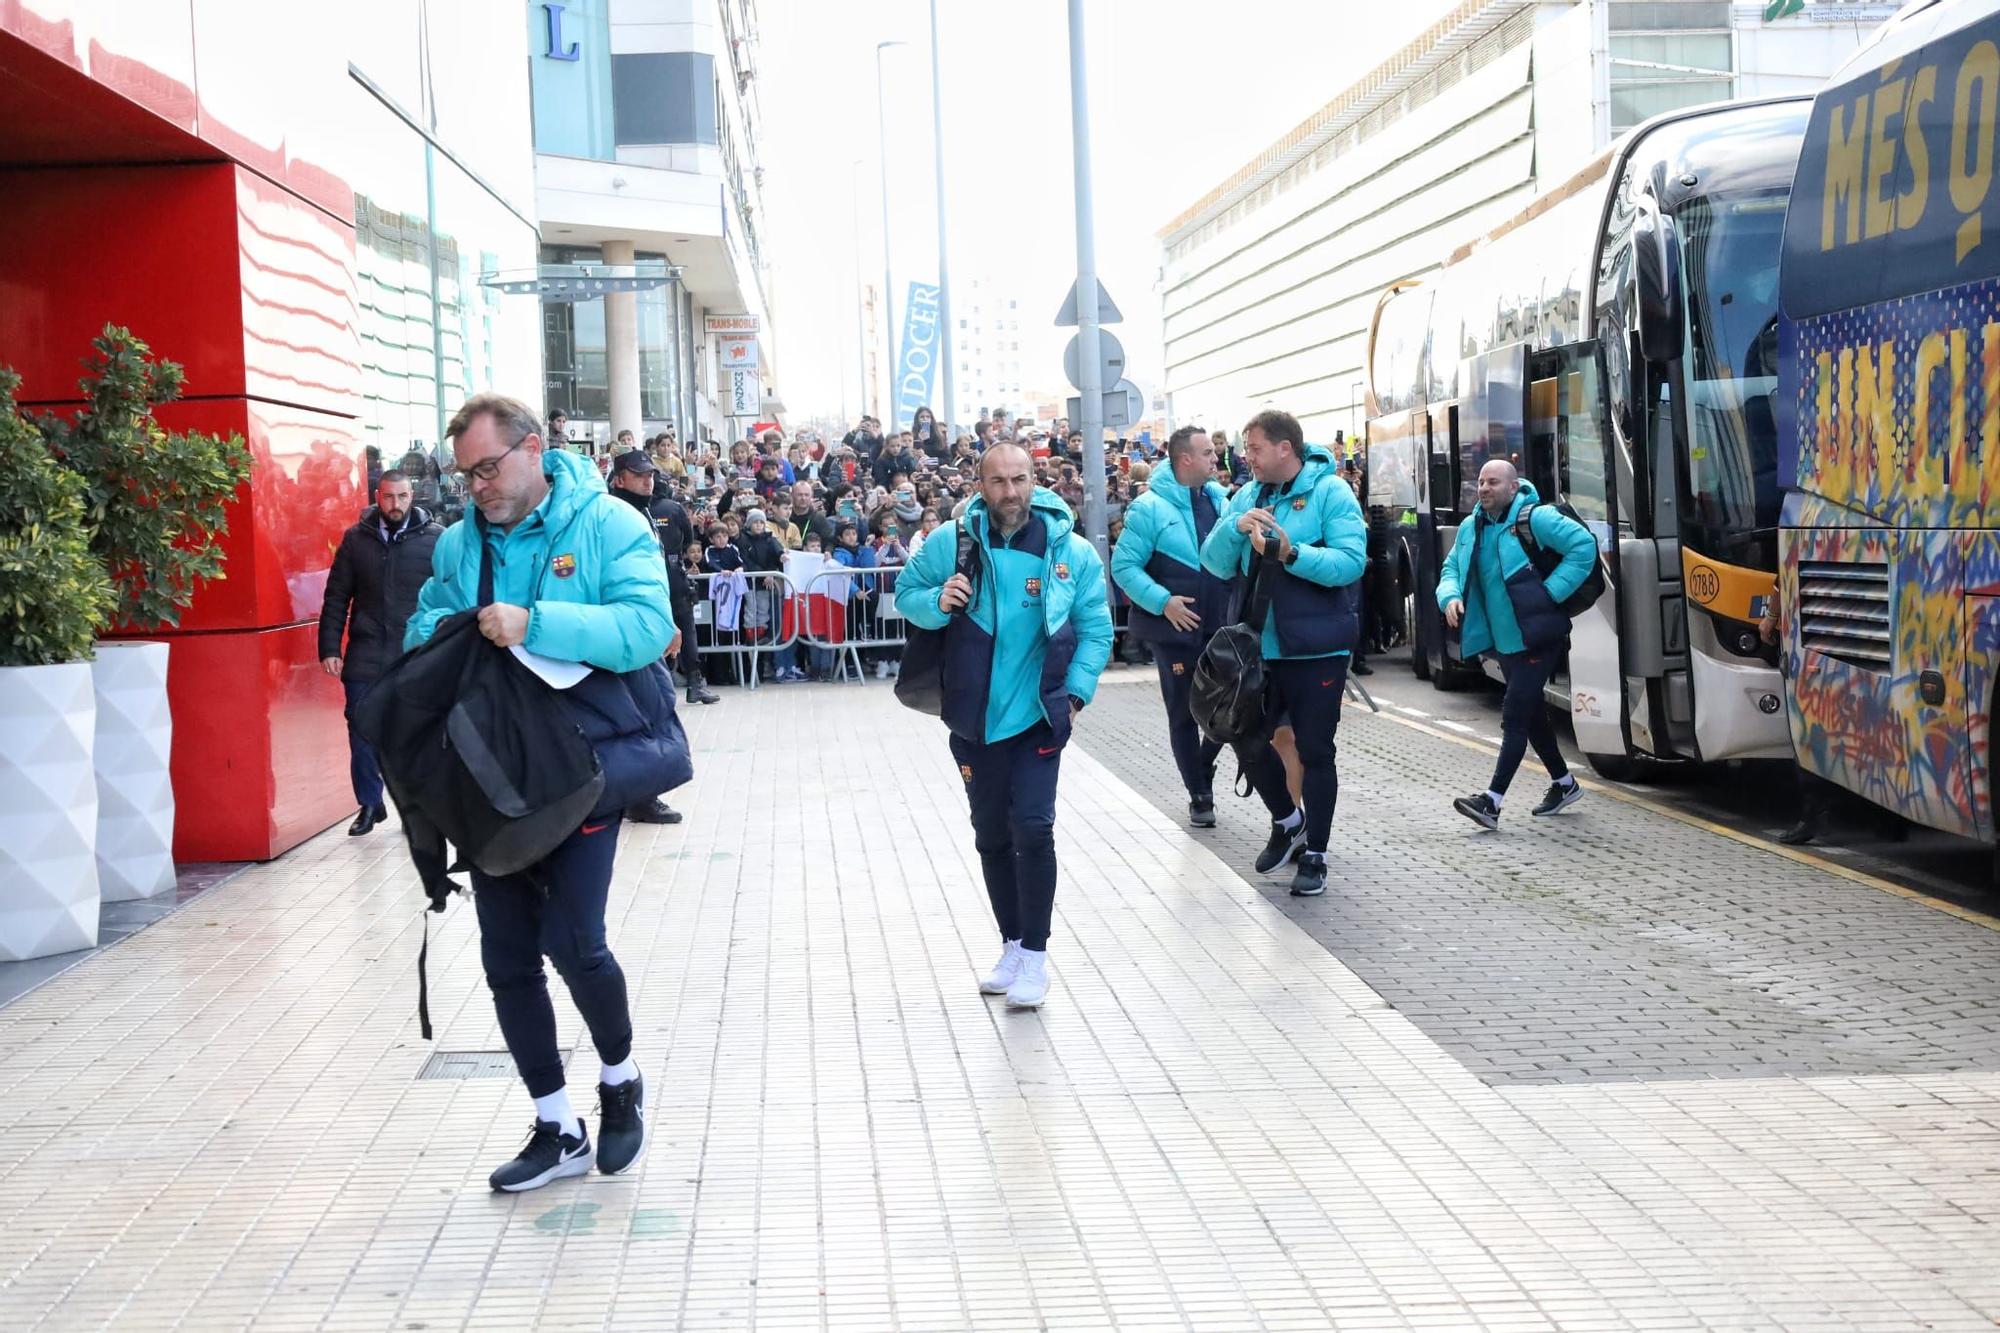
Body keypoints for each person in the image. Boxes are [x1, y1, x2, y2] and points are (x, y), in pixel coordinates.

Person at [404, 393, 673, 1192]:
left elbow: (647, 628)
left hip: (586, 766)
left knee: (574, 939)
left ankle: (620, 1080)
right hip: (495, 777)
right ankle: (557, 1124)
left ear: (533, 448)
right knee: (506, 957)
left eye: (488, 467)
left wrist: (536, 622)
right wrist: (448, 633)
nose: (478, 485)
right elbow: (426, 626)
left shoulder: (609, 523)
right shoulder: (458, 543)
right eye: (466, 475)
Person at [895, 444, 1113, 1009]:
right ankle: (1012, 945)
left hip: (1041, 715)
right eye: (998, 481)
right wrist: (938, 601)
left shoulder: (1072, 551)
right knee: (991, 834)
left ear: (1034, 480)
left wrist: (1077, 695)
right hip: (972, 717)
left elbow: (1096, 628)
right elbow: (905, 595)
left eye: (1019, 480)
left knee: (1033, 829)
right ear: (980, 482)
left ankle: (1036, 958)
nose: (1010, 492)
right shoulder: (952, 542)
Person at [1199, 410, 1367, 898]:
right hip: (1258, 648)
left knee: (1315, 750)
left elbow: (1350, 563)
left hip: (1316, 648)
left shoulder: (1330, 492)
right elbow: (1213, 562)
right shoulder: (1248, 494)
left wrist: (1292, 554)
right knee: (1244, 738)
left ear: (1284, 449)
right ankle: (1287, 819)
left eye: (1252, 448)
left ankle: (1315, 853)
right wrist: (1235, 527)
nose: (1243, 457)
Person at [1438, 459, 1596, 830]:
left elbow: (1584, 546)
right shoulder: (1471, 527)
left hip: (1540, 635)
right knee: (1530, 713)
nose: (1484, 488)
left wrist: (1551, 593)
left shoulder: (1534, 519)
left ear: (1513, 487)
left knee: (1514, 713)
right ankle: (1564, 784)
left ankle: (1491, 802)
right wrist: (1449, 597)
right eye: (1480, 482)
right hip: (1506, 641)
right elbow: (1450, 569)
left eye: (1493, 482)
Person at [1111, 426, 1235, 827]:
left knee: (1229, 710)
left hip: (1220, 628)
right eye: (1207, 453)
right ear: (1185, 460)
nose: (1216, 458)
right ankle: (1200, 795)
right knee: (1183, 714)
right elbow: (1123, 567)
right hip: (1174, 635)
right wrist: (1163, 603)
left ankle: (1202, 765)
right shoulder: (1149, 508)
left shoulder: (1220, 500)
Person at [318, 470, 442, 836]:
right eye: (389, 497)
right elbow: (337, 596)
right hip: (366, 650)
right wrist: (329, 646)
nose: (396, 505)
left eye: (403, 497)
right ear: (377, 496)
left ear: (412, 496)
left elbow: (449, 597)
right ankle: (370, 804)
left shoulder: (435, 540)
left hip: (413, 652)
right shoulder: (357, 540)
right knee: (361, 729)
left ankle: (413, 807)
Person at [604, 453, 691, 825]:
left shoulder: (645, 512)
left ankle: (638, 792)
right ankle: (640, 795)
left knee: (648, 706)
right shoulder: (616, 515)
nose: (648, 480)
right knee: (646, 707)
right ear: (619, 479)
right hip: (630, 625)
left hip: (645, 620)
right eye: (638, 475)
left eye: (650, 474)